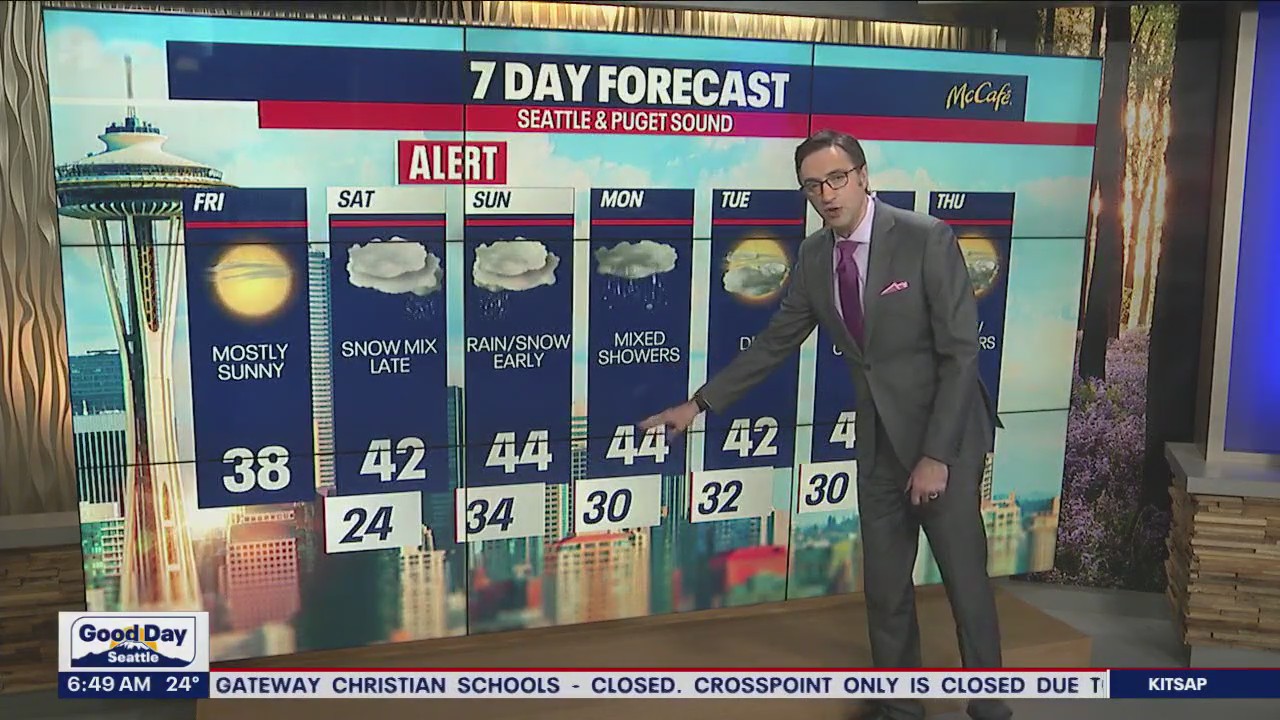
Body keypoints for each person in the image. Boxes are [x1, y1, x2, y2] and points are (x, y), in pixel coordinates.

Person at [640, 129, 1010, 720]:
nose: (827, 194)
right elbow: (774, 344)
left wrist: (937, 456)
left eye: (837, 179)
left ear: (862, 176)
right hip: (879, 442)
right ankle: (900, 708)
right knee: (884, 589)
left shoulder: (925, 238)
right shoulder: (816, 258)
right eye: (813, 186)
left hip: (945, 439)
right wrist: (697, 405)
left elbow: (961, 354)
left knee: (965, 584)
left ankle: (990, 707)